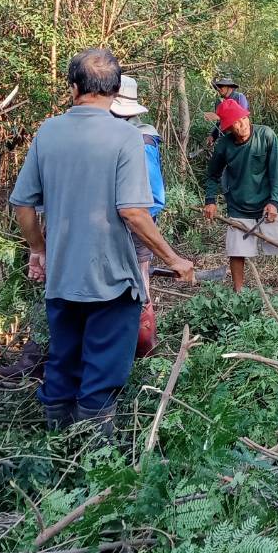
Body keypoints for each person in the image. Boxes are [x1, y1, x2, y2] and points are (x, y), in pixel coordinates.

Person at [10, 49, 195, 434]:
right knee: (102, 370)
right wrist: (174, 259)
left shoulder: (48, 132)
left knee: (63, 360)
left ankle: (56, 441)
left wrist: (38, 249)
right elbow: (134, 212)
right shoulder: (126, 137)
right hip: (111, 280)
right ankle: (95, 449)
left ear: (74, 88)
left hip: (62, 277)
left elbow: (23, 204)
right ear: (114, 90)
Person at [203, 97, 278, 302]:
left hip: (272, 200)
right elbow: (212, 175)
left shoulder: (266, 135)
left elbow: (276, 173)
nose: (242, 125)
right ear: (228, 128)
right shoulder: (224, 146)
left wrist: (274, 202)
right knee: (236, 251)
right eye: (236, 123)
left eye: (244, 119)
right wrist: (210, 200)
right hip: (239, 204)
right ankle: (239, 295)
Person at [111, 75, 165, 349]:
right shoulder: (126, 134)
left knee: (139, 280)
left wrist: (139, 220)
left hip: (135, 221)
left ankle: (143, 343)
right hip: (124, 219)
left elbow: (153, 195)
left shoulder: (141, 140)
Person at [203, 74, 248, 144]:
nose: (218, 89)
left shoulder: (239, 97)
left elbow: (242, 117)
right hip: (224, 138)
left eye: (221, 86)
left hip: (238, 137)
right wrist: (213, 136)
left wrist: (219, 117)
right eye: (217, 87)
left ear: (229, 87)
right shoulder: (219, 102)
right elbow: (219, 123)